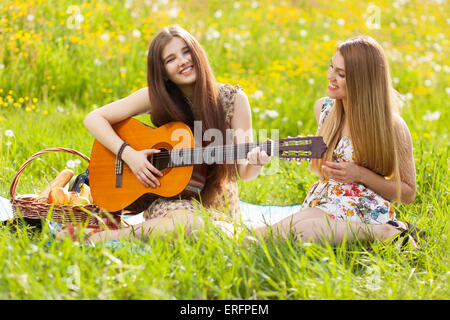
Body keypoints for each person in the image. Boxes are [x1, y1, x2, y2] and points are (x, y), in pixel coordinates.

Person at [74, 26, 270, 243]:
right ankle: (106, 237)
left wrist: (257, 162)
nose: (183, 61)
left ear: (197, 52)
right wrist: (130, 156)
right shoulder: (156, 97)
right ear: (163, 72)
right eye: (171, 59)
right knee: (190, 224)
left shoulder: (233, 99)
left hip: (217, 202)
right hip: (168, 199)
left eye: (186, 51)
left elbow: (245, 171)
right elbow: (93, 118)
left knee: (213, 233)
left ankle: (133, 234)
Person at [251, 36, 425, 247]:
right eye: (331, 67)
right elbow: (322, 153)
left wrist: (360, 174)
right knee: (256, 237)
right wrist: (284, 150)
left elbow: (407, 192)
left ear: (364, 80)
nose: (329, 76)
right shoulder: (324, 110)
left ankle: (384, 231)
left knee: (301, 232)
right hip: (323, 202)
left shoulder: (392, 127)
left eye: (340, 74)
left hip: (362, 209)